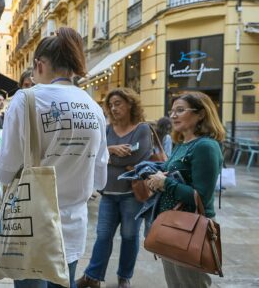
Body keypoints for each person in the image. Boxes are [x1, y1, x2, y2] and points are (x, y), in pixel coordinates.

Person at [0, 27, 109, 288]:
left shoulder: (26, 99)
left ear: (39, 65)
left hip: (31, 224)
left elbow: (5, 170)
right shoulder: (94, 107)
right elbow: (100, 180)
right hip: (72, 225)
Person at [145, 92, 224, 288]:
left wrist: (166, 184)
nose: (173, 116)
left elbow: (201, 196)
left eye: (180, 110)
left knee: (191, 284)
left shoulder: (205, 146)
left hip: (191, 227)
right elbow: (170, 175)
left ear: (201, 114)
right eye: (172, 111)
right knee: (175, 284)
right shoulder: (181, 144)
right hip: (171, 224)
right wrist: (155, 179)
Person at [77, 88, 153, 288]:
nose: (113, 108)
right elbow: (93, 153)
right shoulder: (107, 129)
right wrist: (110, 151)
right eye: (111, 105)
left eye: (118, 103)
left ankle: (124, 277)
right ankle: (92, 276)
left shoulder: (142, 129)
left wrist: (107, 159)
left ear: (130, 104)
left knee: (129, 236)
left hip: (132, 195)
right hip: (108, 194)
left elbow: (137, 158)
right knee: (103, 236)